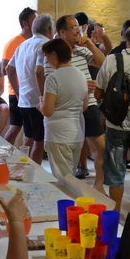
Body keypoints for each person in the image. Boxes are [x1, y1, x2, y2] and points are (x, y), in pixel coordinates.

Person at [95, 23, 130, 211]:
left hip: (115, 125)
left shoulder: (112, 59)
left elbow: (98, 92)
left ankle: (116, 213)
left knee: (116, 175)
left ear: (126, 39)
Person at [55, 14, 107, 185]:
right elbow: (54, 82)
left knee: (101, 147)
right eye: (73, 27)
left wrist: (90, 44)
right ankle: (67, 185)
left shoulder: (82, 50)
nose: (78, 30)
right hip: (68, 108)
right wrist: (82, 86)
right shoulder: (54, 54)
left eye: (78, 26)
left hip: (89, 104)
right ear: (62, 32)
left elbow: (103, 64)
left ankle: (98, 185)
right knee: (68, 150)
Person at [39, 38, 89, 179]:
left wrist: (40, 104)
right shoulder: (81, 75)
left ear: (54, 54)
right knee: (70, 178)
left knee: (63, 181)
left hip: (58, 135)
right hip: (76, 133)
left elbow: (48, 111)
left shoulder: (53, 78)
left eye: (47, 56)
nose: (47, 60)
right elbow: (84, 106)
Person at [10, 13, 55, 163]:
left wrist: (18, 92)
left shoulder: (22, 45)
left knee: (28, 138)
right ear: (50, 29)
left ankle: (21, 168)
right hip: (37, 101)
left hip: (24, 99)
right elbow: (39, 70)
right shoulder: (45, 45)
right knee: (39, 141)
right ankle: (34, 173)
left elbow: (9, 69)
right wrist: (43, 97)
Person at [2, 7, 36, 145]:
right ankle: (2, 153)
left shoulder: (34, 42)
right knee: (16, 128)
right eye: (34, 20)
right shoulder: (13, 43)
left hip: (30, 93)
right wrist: (17, 92)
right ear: (25, 23)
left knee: (30, 132)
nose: (37, 23)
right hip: (17, 92)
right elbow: (5, 69)